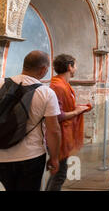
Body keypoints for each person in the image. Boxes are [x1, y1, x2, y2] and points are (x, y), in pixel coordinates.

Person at [0, 51, 61, 191]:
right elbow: (54, 131)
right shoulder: (46, 93)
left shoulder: (1, 83)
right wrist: (55, 158)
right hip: (30, 155)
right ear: (44, 69)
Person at [46, 54, 92, 191]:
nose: (76, 68)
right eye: (75, 65)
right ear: (69, 67)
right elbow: (58, 115)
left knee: (58, 173)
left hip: (63, 134)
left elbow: (64, 108)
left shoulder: (63, 84)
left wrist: (79, 108)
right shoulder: (58, 86)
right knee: (59, 174)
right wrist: (77, 112)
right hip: (58, 136)